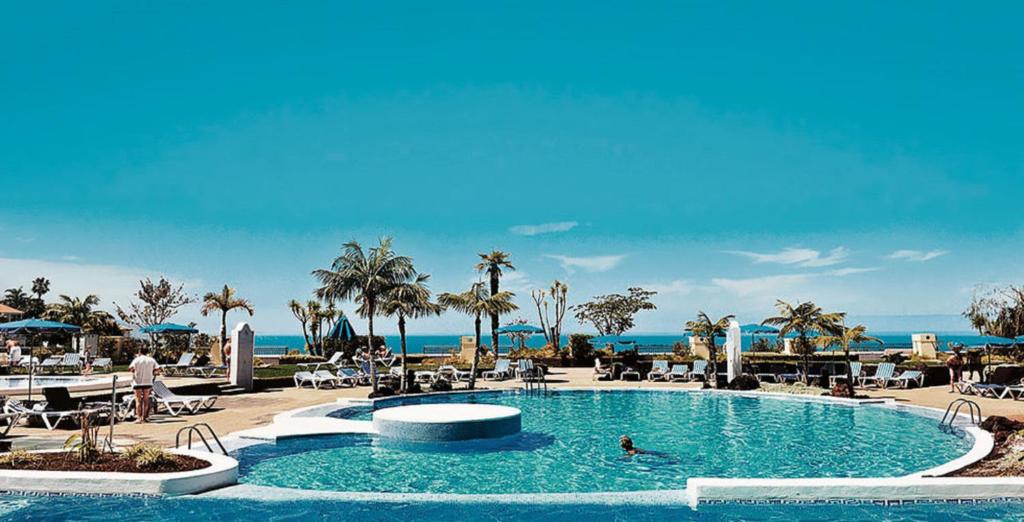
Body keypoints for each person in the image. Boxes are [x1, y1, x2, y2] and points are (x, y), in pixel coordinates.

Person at [129, 346, 160, 424]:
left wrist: (135, 371)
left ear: (140, 351)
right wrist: (152, 372)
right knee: (146, 399)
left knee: (138, 400)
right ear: (147, 352)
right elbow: (158, 369)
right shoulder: (151, 360)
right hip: (148, 381)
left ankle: (139, 418)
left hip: (137, 382)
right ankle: (145, 417)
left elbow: (130, 369)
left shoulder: (136, 360)